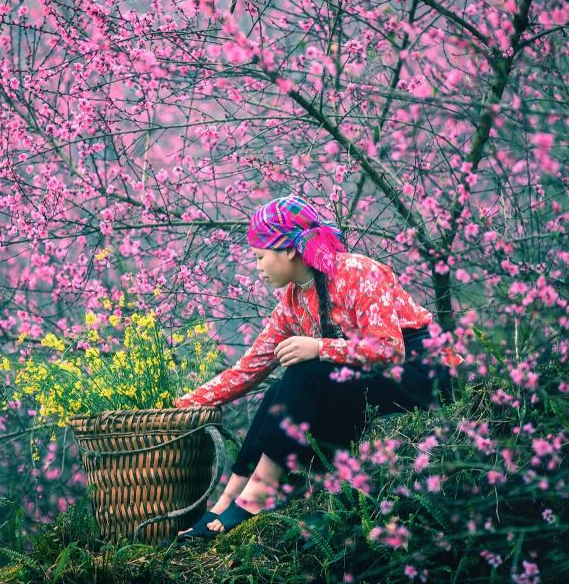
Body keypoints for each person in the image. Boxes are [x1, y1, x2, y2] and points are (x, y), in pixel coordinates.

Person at [174, 195, 463, 541]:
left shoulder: (356, 271)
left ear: (289, 251)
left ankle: (255, 498)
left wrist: (319, 347)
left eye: (261, 257)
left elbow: (390, 348)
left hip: (421, 373)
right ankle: (223, 503)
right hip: (373, 381)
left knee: (303, 371)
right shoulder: (293, 301)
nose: (258, 267)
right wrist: (183, 405)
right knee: (279, 388)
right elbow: (248, 369)